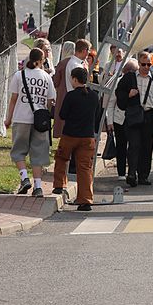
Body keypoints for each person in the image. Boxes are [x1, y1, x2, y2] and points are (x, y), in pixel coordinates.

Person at [5, 48, 55, 197]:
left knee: (18, 151)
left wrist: (8, 119)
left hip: (21, 118)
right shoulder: (46, 77)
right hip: (40, 122)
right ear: (40, 61)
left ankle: (24, 177)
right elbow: (50, 101)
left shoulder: (19, 75)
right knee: (38, 153)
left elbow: (13, 99)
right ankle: (38, 187)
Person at [53, 67, 101, 211]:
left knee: (62, 159)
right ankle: (85, 199)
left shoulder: (71, 96)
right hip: (87, 137)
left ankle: (59, 185)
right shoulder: (94, 96)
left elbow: (62, 114)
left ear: (75, 79)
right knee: (85, 168)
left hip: (70, 135)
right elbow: (97, 114)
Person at [116, 51, 153, 187]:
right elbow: (119, 93)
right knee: (134, 145)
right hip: (134, 115)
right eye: (144, 64)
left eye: (149, 64)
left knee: (147, 147)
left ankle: (143, 175)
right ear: (139, 64)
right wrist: (128, 95)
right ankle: (131, 173)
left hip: (149, 116)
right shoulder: (129, 78)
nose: (146, 67)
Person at [52, 39, 90, 138]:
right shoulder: (75, 64)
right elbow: (78, 84)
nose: (88, 53)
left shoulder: (75, 63)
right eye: (88, 51)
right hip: (75, 99)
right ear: (84, 50)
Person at [101, 47, 129, 180]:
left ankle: (132, 166)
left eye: (119, 51)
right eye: (115, 52)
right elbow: (103, 81)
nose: (117, 54)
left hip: (131, 114)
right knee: (121, 142)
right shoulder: (108, 65)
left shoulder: (129, 63)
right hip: (115, 106)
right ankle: (122, 170)